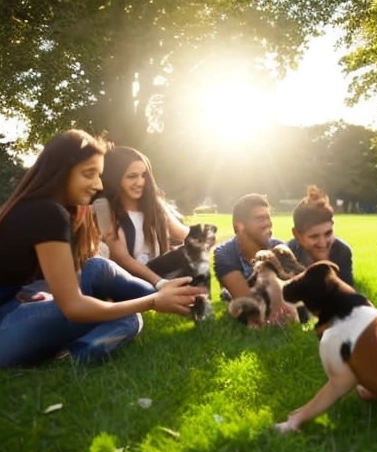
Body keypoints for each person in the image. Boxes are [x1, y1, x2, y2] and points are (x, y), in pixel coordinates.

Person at [0, 129, 204, 368]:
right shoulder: (48, 212)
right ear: (62, 172)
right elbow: (73, 307)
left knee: (97, 267)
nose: (98, 184)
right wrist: (152, 303)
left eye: (99, 175)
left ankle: (174, 296)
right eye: (89, 174)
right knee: (126, 316)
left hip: (18, 303)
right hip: (6, 327)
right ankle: (79, 355)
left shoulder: (37, 205)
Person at [99, 145, 214, 292]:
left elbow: (183, 233)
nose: (140, 182)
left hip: (156, 270)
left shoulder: (153, 204)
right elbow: (121, 257)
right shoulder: (103, 206)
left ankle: (199, 298)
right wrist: (159, 283)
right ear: (115, 177)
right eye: (132, 176)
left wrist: (203, 239)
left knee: (194, 248)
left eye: (144, 175)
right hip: (125, 276)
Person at [214, 193, 282, 300]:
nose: (267, 224)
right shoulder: (225, 253)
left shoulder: (279, 247)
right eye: (260, 219)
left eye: (268, 218)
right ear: (240, 226)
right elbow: (247, 301)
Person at [288, 185, 354, 286]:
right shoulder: (289, 254)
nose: (322, 243)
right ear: (297, 235)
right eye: (314, 236)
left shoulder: (342, 251)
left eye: (328, 233)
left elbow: (345, 291)